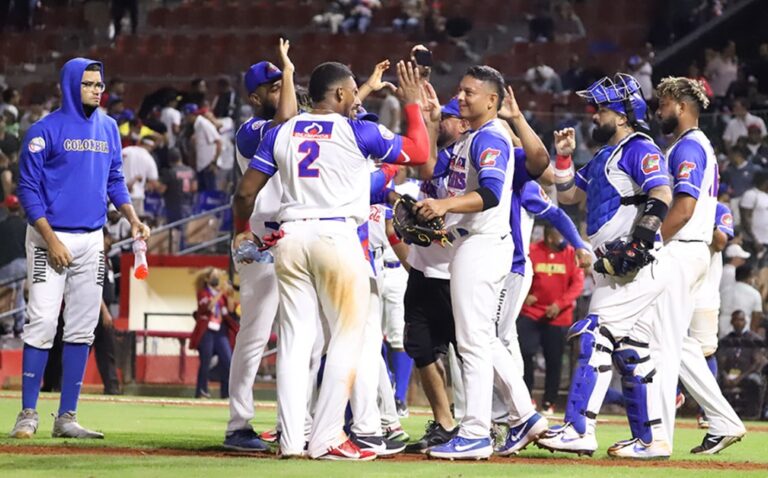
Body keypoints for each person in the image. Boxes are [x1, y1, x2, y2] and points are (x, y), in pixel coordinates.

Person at [233, 60, 429, 460]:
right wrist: (412, 106)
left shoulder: (283, 130)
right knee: (347, 336)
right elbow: (420, 151)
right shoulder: (359, 130)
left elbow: (244, 192)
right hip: (336, 235)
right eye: (353, 91)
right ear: (339, 94)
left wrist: (242, 228)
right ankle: (326, 436)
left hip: (289, 238)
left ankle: (291, 440)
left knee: (294, 339)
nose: (357, 98)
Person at [10, 57, 150, 439]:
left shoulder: (108, 128)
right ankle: (27, 413)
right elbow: (27, 190)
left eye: (99, 84)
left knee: (83, 327)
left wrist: (132, 217)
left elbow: (116, 180)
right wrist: (51, 239)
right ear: (71, 84)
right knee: (41, 321)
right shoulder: (44, 130)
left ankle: (66, 417)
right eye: (89, 83)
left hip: (92, 239)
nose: (96, 90)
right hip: (47, 237)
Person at [416, 66, 549, 460]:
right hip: (469, 244)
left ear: (493, 100)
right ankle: (525, 416)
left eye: (470, 92)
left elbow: (491, 193)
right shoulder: (468, 139)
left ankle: (474, 431)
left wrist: (444, 205)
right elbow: (429, 174)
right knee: (483, 340)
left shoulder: (491, 136)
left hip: (482, 243)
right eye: (460, 89)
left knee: (472, 342)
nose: (461, 96)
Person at [538, 73, 673, 458]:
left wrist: (639, 242)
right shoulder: (602, 156)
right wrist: (563, 157)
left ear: (623, 114)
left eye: (600, 109)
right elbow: (569, 195)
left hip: (633, 265)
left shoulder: (639, 147)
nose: (593, 116)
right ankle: (651, 440)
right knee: (633, 350)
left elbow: (661, 192)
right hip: (617, 266)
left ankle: (579, 428)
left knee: (594, 335)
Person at [653, 76, 745, 455]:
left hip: (683, 247)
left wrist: (651, 239)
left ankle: (657, 438)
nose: (659, 110)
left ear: (680, 103)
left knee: (662, 344)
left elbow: (685, 205)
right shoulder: (693, 145)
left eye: (663, 103)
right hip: (693, 251)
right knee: (675, 342)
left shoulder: (688, 147)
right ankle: (723, 420)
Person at [223, 40, 296, 452]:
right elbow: (286, 118)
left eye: (280, 83)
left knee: (300, 336)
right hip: (261, 239)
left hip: (295, 237)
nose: (280, 90)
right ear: (255, 97)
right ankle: (239, 424)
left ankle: (293, 422)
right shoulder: (250, 131)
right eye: (272, 86)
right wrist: (287, 70)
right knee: (254, 334)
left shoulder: (292, 125)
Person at [519, 225, 585, 416]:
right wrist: (525, 295)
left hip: (558, 317)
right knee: (524, 355)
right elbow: (520, 273)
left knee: (554, 361)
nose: (564, 239)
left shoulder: (571, 254)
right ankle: (526, 399)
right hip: (531, 313)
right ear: (549, 236)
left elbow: (577, 285)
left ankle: (549, 403)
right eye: (560, 234)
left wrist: (559, 304)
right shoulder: (533, 251)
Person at [190, 268, 237, 399]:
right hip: (207, 332)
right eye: (214, 276)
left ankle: (226, 393)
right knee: (205, 361)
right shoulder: (203, 293)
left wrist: (230, 295)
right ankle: (202, 390)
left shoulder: (220, 294)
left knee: (227, 361)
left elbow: (231, 309)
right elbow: (209, 306)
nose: (217, 278)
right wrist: (221, 292)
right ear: (207, 279)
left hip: (220, 331)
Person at [718, 310, 768, 418]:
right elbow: (720, 361)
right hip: (728, 374)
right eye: (735, 320)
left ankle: (753, 415)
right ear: (731, 321)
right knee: (714, 379)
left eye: (741, 320)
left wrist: (739, 378)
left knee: (755, 381)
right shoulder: (726, 340)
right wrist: (725, 375)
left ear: (745, 322)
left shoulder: (754, 339)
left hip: (747, 374)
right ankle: (717, 414)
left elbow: (756, 363)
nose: (738, 323)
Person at [93, 230, 121, 395]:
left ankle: (112, 388)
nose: (110, 242)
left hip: (104, 310)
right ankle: (61, 385)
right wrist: (104, 311)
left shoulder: (107, 260)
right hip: (94, 310)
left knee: (107, 351)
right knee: (82, 348)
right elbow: (94, 287)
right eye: (108, 238)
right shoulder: (96, 259)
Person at [0, 195, 26, 336]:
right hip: (23, 264)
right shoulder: (25, 225)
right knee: (19, 295)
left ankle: (7, 326)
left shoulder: (2, 226)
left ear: (7, 209)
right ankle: (19, 325)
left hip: (7, 264)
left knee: (6, 296)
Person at [183, 103, 221, 191]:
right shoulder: (197, 124)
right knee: (202, 195)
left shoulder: (203, 123)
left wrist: (214, 162)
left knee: (210, 194)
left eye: (186, 115)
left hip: (208, 166)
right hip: (201, 167)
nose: (185, 118)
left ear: (190, 115)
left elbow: (218, 142)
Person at [720, 264, 764, 337]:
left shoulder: (724, 291)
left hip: (723, 328)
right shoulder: (754, 294)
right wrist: (752, 335)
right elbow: (756, 316)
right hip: (743, 331)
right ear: (749, 277)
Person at [121, 137, 160, 216]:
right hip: (136, 196)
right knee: (135, 224)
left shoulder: (126, 150)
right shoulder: (148, 158)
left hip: (119, 195)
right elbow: (154, 181)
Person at [159, 148, 197, 224]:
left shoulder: (170, 172)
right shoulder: (190, 170)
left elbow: (162, 190)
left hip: (173, 207)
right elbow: (194, 188)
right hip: (188, 205)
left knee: (174, 230)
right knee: (186, 228)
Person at [740, 171, 768, 253]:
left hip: (765, 240)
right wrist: (754, 239)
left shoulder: (766, 195)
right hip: (753, 242)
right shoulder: (751, 194)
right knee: (752, 265)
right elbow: (745, 219)